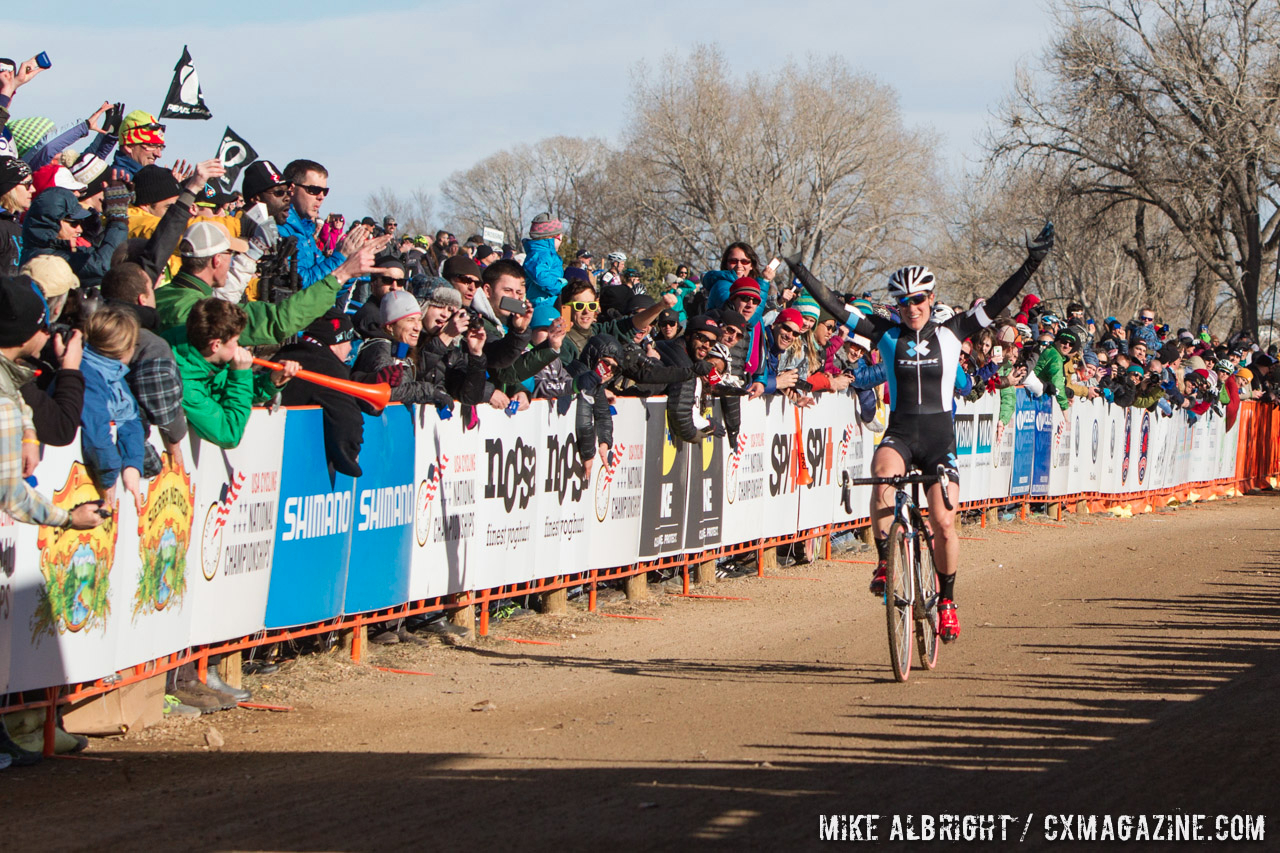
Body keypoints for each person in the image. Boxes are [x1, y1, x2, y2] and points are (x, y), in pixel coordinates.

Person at [784, 222, 1055, 644]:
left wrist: (1033, 260)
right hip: (902, 432)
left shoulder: (954, 331)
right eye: (903, 301)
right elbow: (834, 305)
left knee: (945, 524)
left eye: (919, 299)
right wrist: (799, 269)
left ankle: (946, 601)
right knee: (880, 481)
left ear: (931, 299)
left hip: (939, 440)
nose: (911, 307)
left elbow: (1002, 297)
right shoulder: (885, 332)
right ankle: (884, 563)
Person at [156, 221, 387, 345]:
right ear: (217, 259)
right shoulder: (204, 312)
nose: (233, 261)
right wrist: (342, 273)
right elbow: (279, 321)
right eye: (231, 255)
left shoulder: (160, 296)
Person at [0, 274, 105, 530]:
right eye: (44, 326)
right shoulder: (4, 407)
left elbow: (14, 387)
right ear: (23, 337)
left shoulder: (8, 383)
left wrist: (28, 433)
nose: (49, 333)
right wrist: (69, 518)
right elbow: (11, 497)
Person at [170, 298, 298, 449]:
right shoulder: (185, 385)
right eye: (236, 341)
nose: (241, 347)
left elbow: (227, 392)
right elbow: (229, 433)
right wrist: (240, 376)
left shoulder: (200, 355)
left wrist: (270, 382)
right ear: (216, 345)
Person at [277, 308, 377, 477]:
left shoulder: (285, 353)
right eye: (348, 342)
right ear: (336, 342)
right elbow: (347, 421)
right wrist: (349, 457)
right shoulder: (328, 368)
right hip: (298, 471)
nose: (349, 350)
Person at [79, 305, 145, 514]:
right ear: (126, 348)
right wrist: (109, 476)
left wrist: (132, 466)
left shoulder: (116, 378)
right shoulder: (86, 374)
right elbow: (96, 434)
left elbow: (131, 420)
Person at [277, 159, 374, 288]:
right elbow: (301, 286)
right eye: (314, 190)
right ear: (291, 189)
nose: (321, 197)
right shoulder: (281, 228)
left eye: (325, 191)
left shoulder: (306, 230)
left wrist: (351, 265)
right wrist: (342, 256)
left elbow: (331, 290)